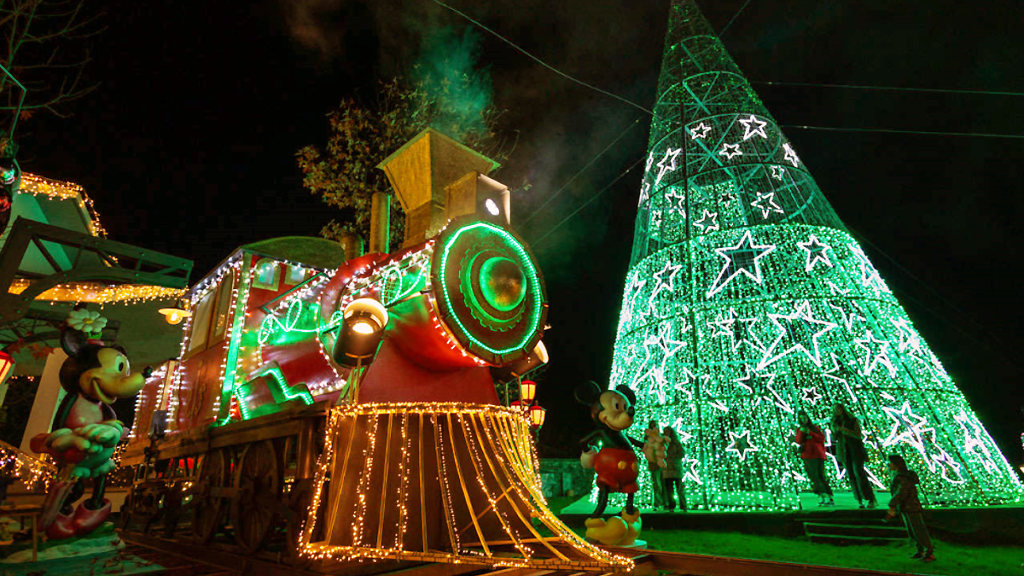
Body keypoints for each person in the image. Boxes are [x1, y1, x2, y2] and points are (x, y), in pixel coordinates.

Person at [886, 454, 935, 562]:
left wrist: (892, 504)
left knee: (918, 530)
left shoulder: (903, 477)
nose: (888, 465)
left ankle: (928, 552)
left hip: (911, 507)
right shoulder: (900, 475)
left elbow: (902, 492)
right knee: (912, 531)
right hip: (905, 507)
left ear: (896, 464)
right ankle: (920, 550)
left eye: (889, 463)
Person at [831, 403, 877, 508]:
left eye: (838, 408)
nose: (837, 411)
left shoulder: (851, 419)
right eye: (835, 409)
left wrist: (845, 430)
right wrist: (835, 431)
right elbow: (835, 438)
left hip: (855, 449)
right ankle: (859, 499)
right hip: (843, 451)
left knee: (858, 473)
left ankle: (869, 497)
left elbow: (857, 434)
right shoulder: (834, 422)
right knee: (851, 475)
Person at [795, 410, 834, 506]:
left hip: (817, 454)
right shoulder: (800, 429)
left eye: (805, 418)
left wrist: (810, 433)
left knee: (820, 475)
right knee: (814, 476)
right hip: (808, 455)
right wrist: (802, 432)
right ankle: (821, 494)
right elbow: (798, 441)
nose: (804, 420)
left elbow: (821, 439)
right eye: (801, 419)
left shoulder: (815, 428)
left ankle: (827, 495)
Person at [660, 425, 687, 512]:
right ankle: (672, 505)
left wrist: (674, 458)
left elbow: (682, 452)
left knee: (679, 488)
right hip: (667, 469)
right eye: (665, 431)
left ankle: (683, 505)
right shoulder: (662, 443)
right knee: (669, 489)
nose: (666, 433)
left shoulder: (676, 443)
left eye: (668, 431)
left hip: (675, 468)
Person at [642, 420, 665, 509]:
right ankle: (657, 502)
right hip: (654, 463)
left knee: (660, 483)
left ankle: (661, 501)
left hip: (660, 462)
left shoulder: (659, 436)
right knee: (657, 483)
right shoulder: (649, 437)